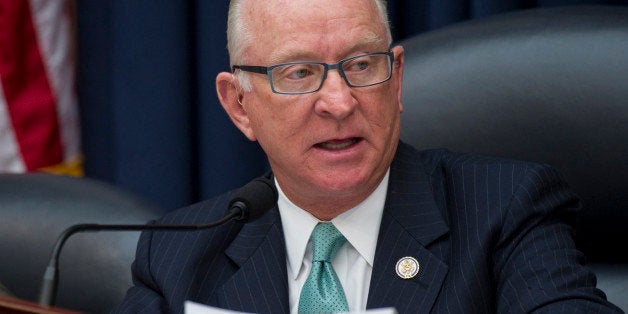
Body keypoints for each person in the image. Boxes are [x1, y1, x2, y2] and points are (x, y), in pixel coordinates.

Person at [114, 0, 622, 313]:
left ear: (397, 79)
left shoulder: (503, 212)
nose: (340, 102)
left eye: (361, 65)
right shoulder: (179, 255)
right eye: (298, 74)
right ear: (239, 105)